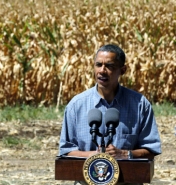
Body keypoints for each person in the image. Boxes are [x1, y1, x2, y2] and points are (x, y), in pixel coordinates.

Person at [58, 44, 161, 185]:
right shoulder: (76, 106)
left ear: (123, 70)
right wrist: (94, 156)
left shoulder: (140, 105)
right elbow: (66, 151)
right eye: (98, 65)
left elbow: (151, 149)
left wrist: (125, 154)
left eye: (109, 66)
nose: (102, 71)